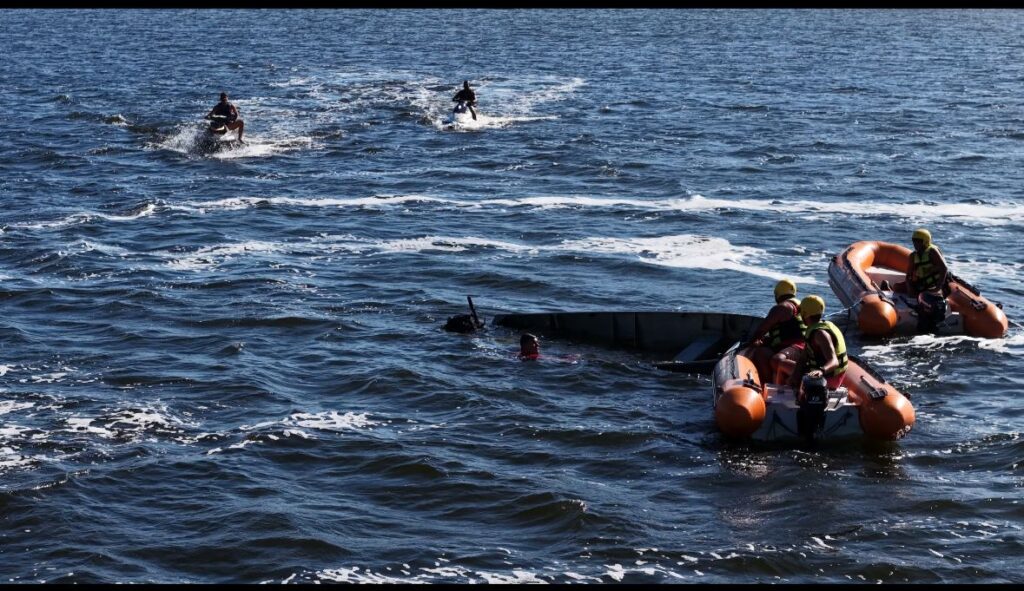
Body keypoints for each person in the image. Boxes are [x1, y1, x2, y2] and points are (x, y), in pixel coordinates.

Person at [782, 296, 848, 398]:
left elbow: (834, 361)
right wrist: (794, 376)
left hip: (829, 378)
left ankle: (781, 395)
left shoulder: (820, 334)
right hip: (831, 375)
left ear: (805, 314)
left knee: (780, 364)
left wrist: (821, 371)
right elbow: (803, 358)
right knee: (788, 373)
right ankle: (788, 389)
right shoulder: (818, 328)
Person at [742, 279, 807, 384]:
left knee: (761, 353)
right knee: (764, 352)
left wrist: (749, 345)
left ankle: (768, 384)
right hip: (799, 347)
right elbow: (788, 332)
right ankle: (772, 383)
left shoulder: (782, 307)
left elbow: (761, 331)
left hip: (796, 347)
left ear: (777, 294)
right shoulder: (800, 306)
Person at [884, 228, 949, 330]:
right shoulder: (913, 256)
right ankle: (888, 288)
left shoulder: (932, 251)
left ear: (926, 241)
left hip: (934, 284)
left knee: (930, 298)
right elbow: (908, 275)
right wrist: (910, 287)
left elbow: (944, 268)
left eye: (918, 241)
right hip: (921, 284)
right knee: (897, 287)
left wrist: (938, 287)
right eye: (914, 241)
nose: (915, 243)